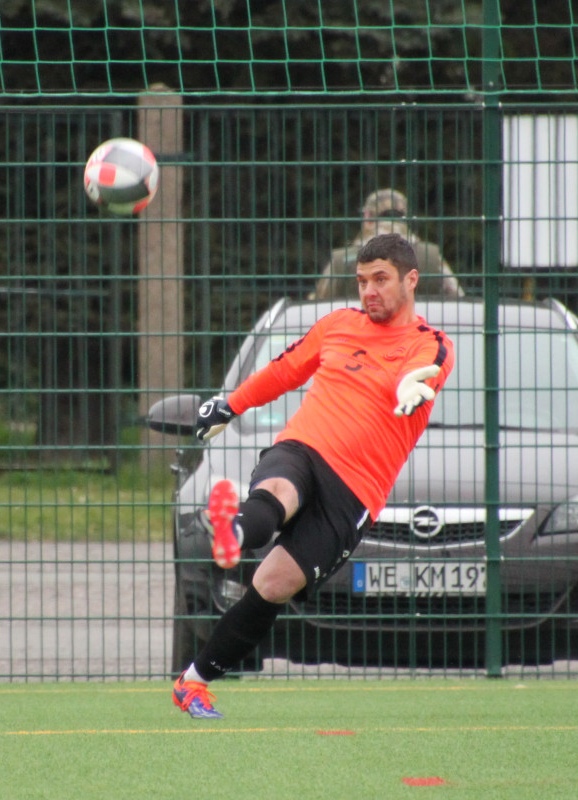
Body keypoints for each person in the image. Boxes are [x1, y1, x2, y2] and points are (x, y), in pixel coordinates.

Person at [172, 232, 455, 719]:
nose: (369, 291)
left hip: (354, 491)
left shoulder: (430, 343)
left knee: (274, 584)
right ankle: (232, 531)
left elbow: (424, 370)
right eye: (362, 281)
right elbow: (284, 371)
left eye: (380, 279)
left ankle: (192, 683)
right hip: (304, 447)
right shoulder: (337, 325)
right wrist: (229, 404)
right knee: (278, 491)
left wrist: (413, 386)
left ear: (411, 280)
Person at [312, 188, 464, 300]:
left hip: (357, 330)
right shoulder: (430, 255)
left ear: (368, 216)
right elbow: (457, 297)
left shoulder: (343, 258)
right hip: (418, 330)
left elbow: (319, 303)